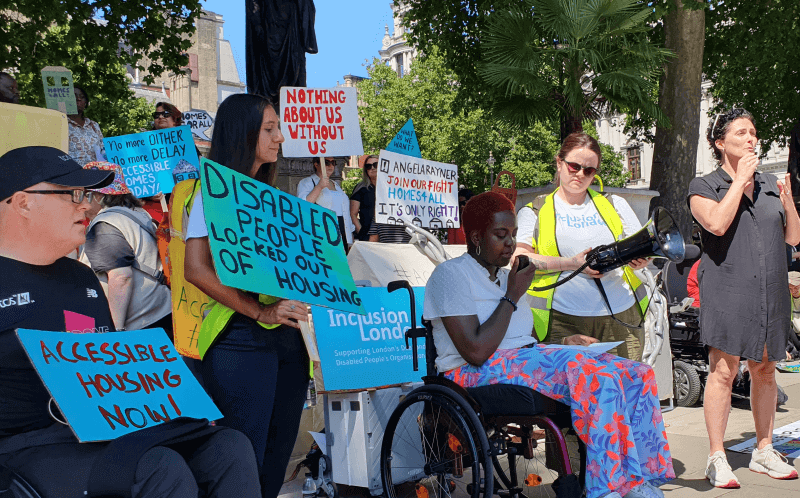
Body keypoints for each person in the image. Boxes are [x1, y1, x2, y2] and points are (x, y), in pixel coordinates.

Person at [0, 146, 260, 497]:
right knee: (157, 470)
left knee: (227, 446)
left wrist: (169, 396)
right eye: (73, 194)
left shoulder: (82, 279)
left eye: (88, 194)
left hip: (102, 431)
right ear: (23, 202)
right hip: (25, 445)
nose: (86, 205)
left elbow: (103, 363)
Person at [424, 191, 673, 498]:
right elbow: (475, 351)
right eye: (501, 235)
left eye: (514, 235)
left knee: (637, 374)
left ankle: (640, 478)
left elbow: (520, 338)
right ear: (475, 236)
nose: (511, 244)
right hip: (472, 372)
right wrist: (513, 295)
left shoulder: (505, 277)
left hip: (519, 361)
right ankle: (608, 486)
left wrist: (564, 343)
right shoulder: (450, 275)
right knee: (599, 378)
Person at [184, 94, 310, 498]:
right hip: (239, 339)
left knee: (277, 455)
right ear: (243, 133)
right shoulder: (212, 191)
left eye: (278, 128)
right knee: (243, 461)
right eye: (269, 129)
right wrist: (259, 312)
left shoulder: (275, 198)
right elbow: (195, 268)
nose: (280, 138)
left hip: (288, 341)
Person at [688, 108, 800, 488]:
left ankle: (764, 450)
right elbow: (717, 223)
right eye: (741, 133)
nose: (752, 138)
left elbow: (793, 238)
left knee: (766, 369)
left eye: (754, 132)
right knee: (723, 371)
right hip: (727, 290)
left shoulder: (770, 183)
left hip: (771, 291)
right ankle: (716, 456)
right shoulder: (704, 185)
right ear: (721, 143)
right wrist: (741, 180)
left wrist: (787, 202)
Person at [515, 132, 650, 360]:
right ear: (559, 163)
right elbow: (519, 259)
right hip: (562, 319)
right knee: (564, 392)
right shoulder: (534, 210)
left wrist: (641, 260)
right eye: (574, 166)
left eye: (589, 170)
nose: (580, 174)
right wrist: (572, 264)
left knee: (622, 388)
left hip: (622, 315)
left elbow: (642, 247)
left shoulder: (616, 204)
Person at [78, 162, 172, 339]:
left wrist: (116, 331)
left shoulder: (106, 223)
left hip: (139, 326)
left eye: (83, 194)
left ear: (98, 196)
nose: (80, 203)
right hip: (160, 312)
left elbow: (121, 277)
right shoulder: (138, 213)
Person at [297, 156, 355, 247]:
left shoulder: (336, 184)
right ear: (316, 164)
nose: (330, 166)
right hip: (323, 232)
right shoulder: (307, 182)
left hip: (342, 232)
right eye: (326, 162)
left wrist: (350, 238)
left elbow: (345, 213)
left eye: (333, 163)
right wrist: (319, 187)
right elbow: (302, 206)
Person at [67, 86, 105, 166]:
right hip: (72, 175)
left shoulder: (94, 126)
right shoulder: (61, 124)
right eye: (74, 96)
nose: (78, 99)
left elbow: (103, 150)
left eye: (82, 97)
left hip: (96, 174)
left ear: (86, 103)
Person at [349, 154, 378, 241]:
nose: (372, 168)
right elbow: (353, 214)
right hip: (367, 235)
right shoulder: (361, 188)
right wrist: (361, 232)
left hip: (387, 235)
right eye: (368, 166)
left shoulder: (390, 188)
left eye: (375, 165)